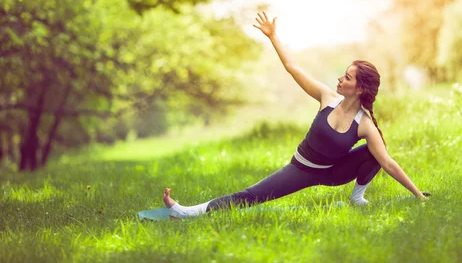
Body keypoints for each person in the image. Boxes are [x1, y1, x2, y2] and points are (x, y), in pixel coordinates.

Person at [163, 12, 428, 218]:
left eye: (347, 77)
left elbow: (388, 163)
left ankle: (357, 199)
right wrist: (272, 36)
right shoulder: (327, 97)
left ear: (359, 88)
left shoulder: (365, 125)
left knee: (377, 152)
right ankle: (185, 212)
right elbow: (293, 67)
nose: (339, 78)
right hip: (301, 169)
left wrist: (418, 196)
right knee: (252, 195)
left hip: (333, 173)